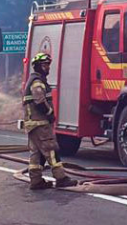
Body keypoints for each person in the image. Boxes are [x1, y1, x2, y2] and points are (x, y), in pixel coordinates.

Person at [22, 53, 75, 190]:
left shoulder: (34, 80)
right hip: (40, 124)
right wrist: (50, 113)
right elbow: (39, 101)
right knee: (51, 149)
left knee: (36, 153)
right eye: (44, 65)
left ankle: (36, 181)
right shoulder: (37, 82)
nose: (47, 68)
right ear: (37, 66)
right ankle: (61, 178)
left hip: (33, 124)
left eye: (48, 65)